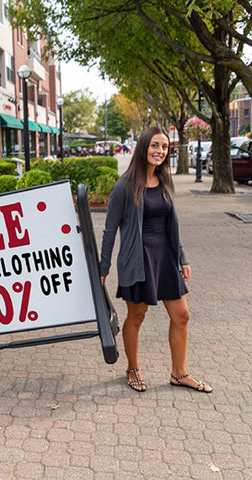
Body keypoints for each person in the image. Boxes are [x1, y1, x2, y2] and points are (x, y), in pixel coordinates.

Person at [99, 127, 212, 393]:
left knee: (182, 315)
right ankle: (133, 369)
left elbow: (172, 225)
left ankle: (179, 373)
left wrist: (182, 257)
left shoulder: (164, 183)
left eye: (164, 147)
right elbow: (109, 230)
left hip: (165, 258)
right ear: (143, 148)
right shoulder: (124, 186)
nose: (159, 151)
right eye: (154, 145)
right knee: (137, 316)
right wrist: (102, 269)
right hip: (137, 260)